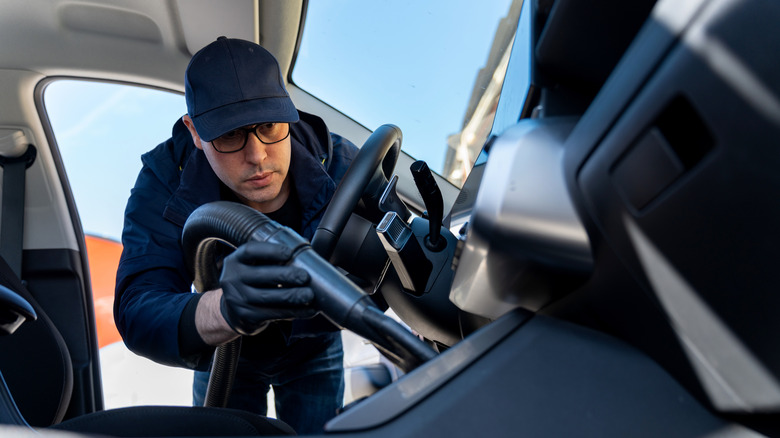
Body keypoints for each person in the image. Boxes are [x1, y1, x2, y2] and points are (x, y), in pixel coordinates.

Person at [114, 36, 358, 434]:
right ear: (194, 131)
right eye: (230, 135)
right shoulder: (163, 178)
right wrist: (224, 308)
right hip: (225, 352)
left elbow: (395, 259)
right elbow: (137, 308)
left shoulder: (338, 159)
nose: (258, 155)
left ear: (289, 112)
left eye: (268, 126)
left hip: (315, 344)